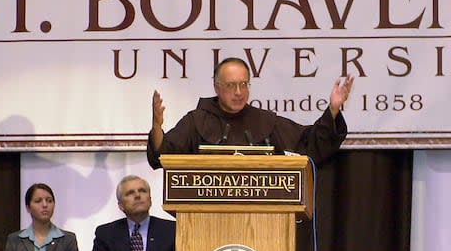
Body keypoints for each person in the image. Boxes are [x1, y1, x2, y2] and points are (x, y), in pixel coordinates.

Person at [147, 57, 354, 169]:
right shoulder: (196, 121)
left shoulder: (265, 122)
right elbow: (162, 155)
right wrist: (157, 127)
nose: (239, 92)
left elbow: (309, 143)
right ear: (217, 87)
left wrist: (333, 110)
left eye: (244, 84)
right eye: (231, 85)